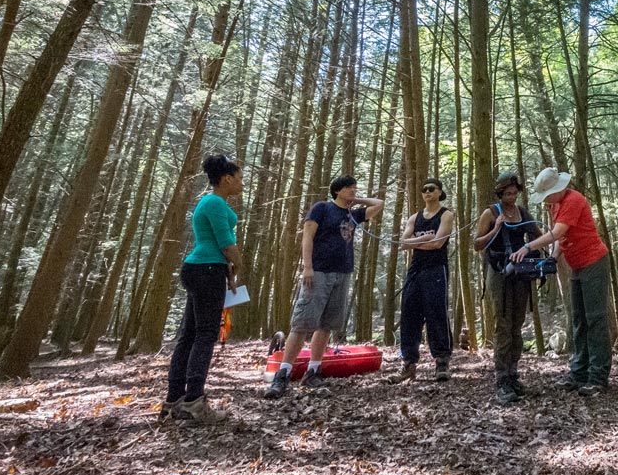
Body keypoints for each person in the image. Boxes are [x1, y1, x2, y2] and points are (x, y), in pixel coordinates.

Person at [264, 175, 385, 398]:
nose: (352, 190)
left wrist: (357, 200)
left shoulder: (353, 214)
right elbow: (307, 236)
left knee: (326, 325)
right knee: (302, 323)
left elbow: (379, 204)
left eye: (354, 187)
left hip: (343, 273)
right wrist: (307, 267)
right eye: (348, 187)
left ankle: (313, 371)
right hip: (318, 272)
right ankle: (283, 374)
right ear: (337, 190)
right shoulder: (322, 208)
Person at [512, 167, 611, 396]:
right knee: (578, 319)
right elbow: (560, 236)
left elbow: (556, 232)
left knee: (595, 319)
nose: (546, 200)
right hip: (577, 265)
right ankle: (579, 372)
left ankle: (598, 377)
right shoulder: (556, 205)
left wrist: (527, 247)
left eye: (547, 195)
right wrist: (554, 257)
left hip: (593, 262)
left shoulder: (573, 200)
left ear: (558, 189)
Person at [163, 153, 244, 424]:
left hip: (203, 268)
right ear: (226, 179)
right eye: (239, 178)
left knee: (189, 335)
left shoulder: (211, 202)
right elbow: (225, 242)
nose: (242, 183)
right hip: (207, 270)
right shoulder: (215, 203)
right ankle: (195, 403)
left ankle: (174, 400)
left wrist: (228, 271)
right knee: (205, 334)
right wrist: (238, 263)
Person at [474, 170, 543, 405]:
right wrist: (495, 229)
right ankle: (501, 379)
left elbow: (538, 236)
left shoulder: (523, 212)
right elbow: (477, 244)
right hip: (498, 272)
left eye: (515, 193)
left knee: (517, 323)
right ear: (500, 193)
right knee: (502, 324)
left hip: (520, 273)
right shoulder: (490, 213)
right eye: (508, 193)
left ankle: (513, 375)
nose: (512, 197)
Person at [396, 177, 454, 383]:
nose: (427, 192)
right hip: (415, 269)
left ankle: (442, 362)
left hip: (436, 269)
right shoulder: (415, 217)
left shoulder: (446, 215)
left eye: (431, 189)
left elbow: (438, 244)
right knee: (409, 313)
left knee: (436, 313)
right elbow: (404, 244)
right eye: (424, 189)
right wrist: (426, 238)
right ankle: (409, 363)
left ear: (439, 192)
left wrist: (419, 241)